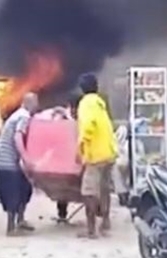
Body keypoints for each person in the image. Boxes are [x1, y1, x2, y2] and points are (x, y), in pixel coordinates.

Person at [76, 73, 117, 239]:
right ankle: (105, 222)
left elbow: (88, 126)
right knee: (104, 189)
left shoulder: (86, 103)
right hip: (109, 152)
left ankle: (91, 230)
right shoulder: (100, 103)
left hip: (95, 155)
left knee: (89, 192)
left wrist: (80, 147)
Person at [0, 92, 39, 236]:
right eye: (36, 103)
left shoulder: (17, 115)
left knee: (25, 189)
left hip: (8, 164)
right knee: (13, 195)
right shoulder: (23, 116)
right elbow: (18, 136)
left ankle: (21, 220)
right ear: (29, 103)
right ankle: (10, 228)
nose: (37, 106)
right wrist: (26, 159)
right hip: (7, 164)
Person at [56, 92, 81, 224]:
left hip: (80, 154)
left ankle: (95, 211)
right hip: (65, 156)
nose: (75, 110)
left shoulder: (83, 116)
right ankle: (62, 214)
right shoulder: (64, 116)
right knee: (63, 187)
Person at [112, 124, 132, 207]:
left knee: (118, 182)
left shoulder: (114, 141)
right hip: (126, 162)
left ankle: (122, 198)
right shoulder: (128, 143)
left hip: (117, 162)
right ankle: (126, 198)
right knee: (125, 180)